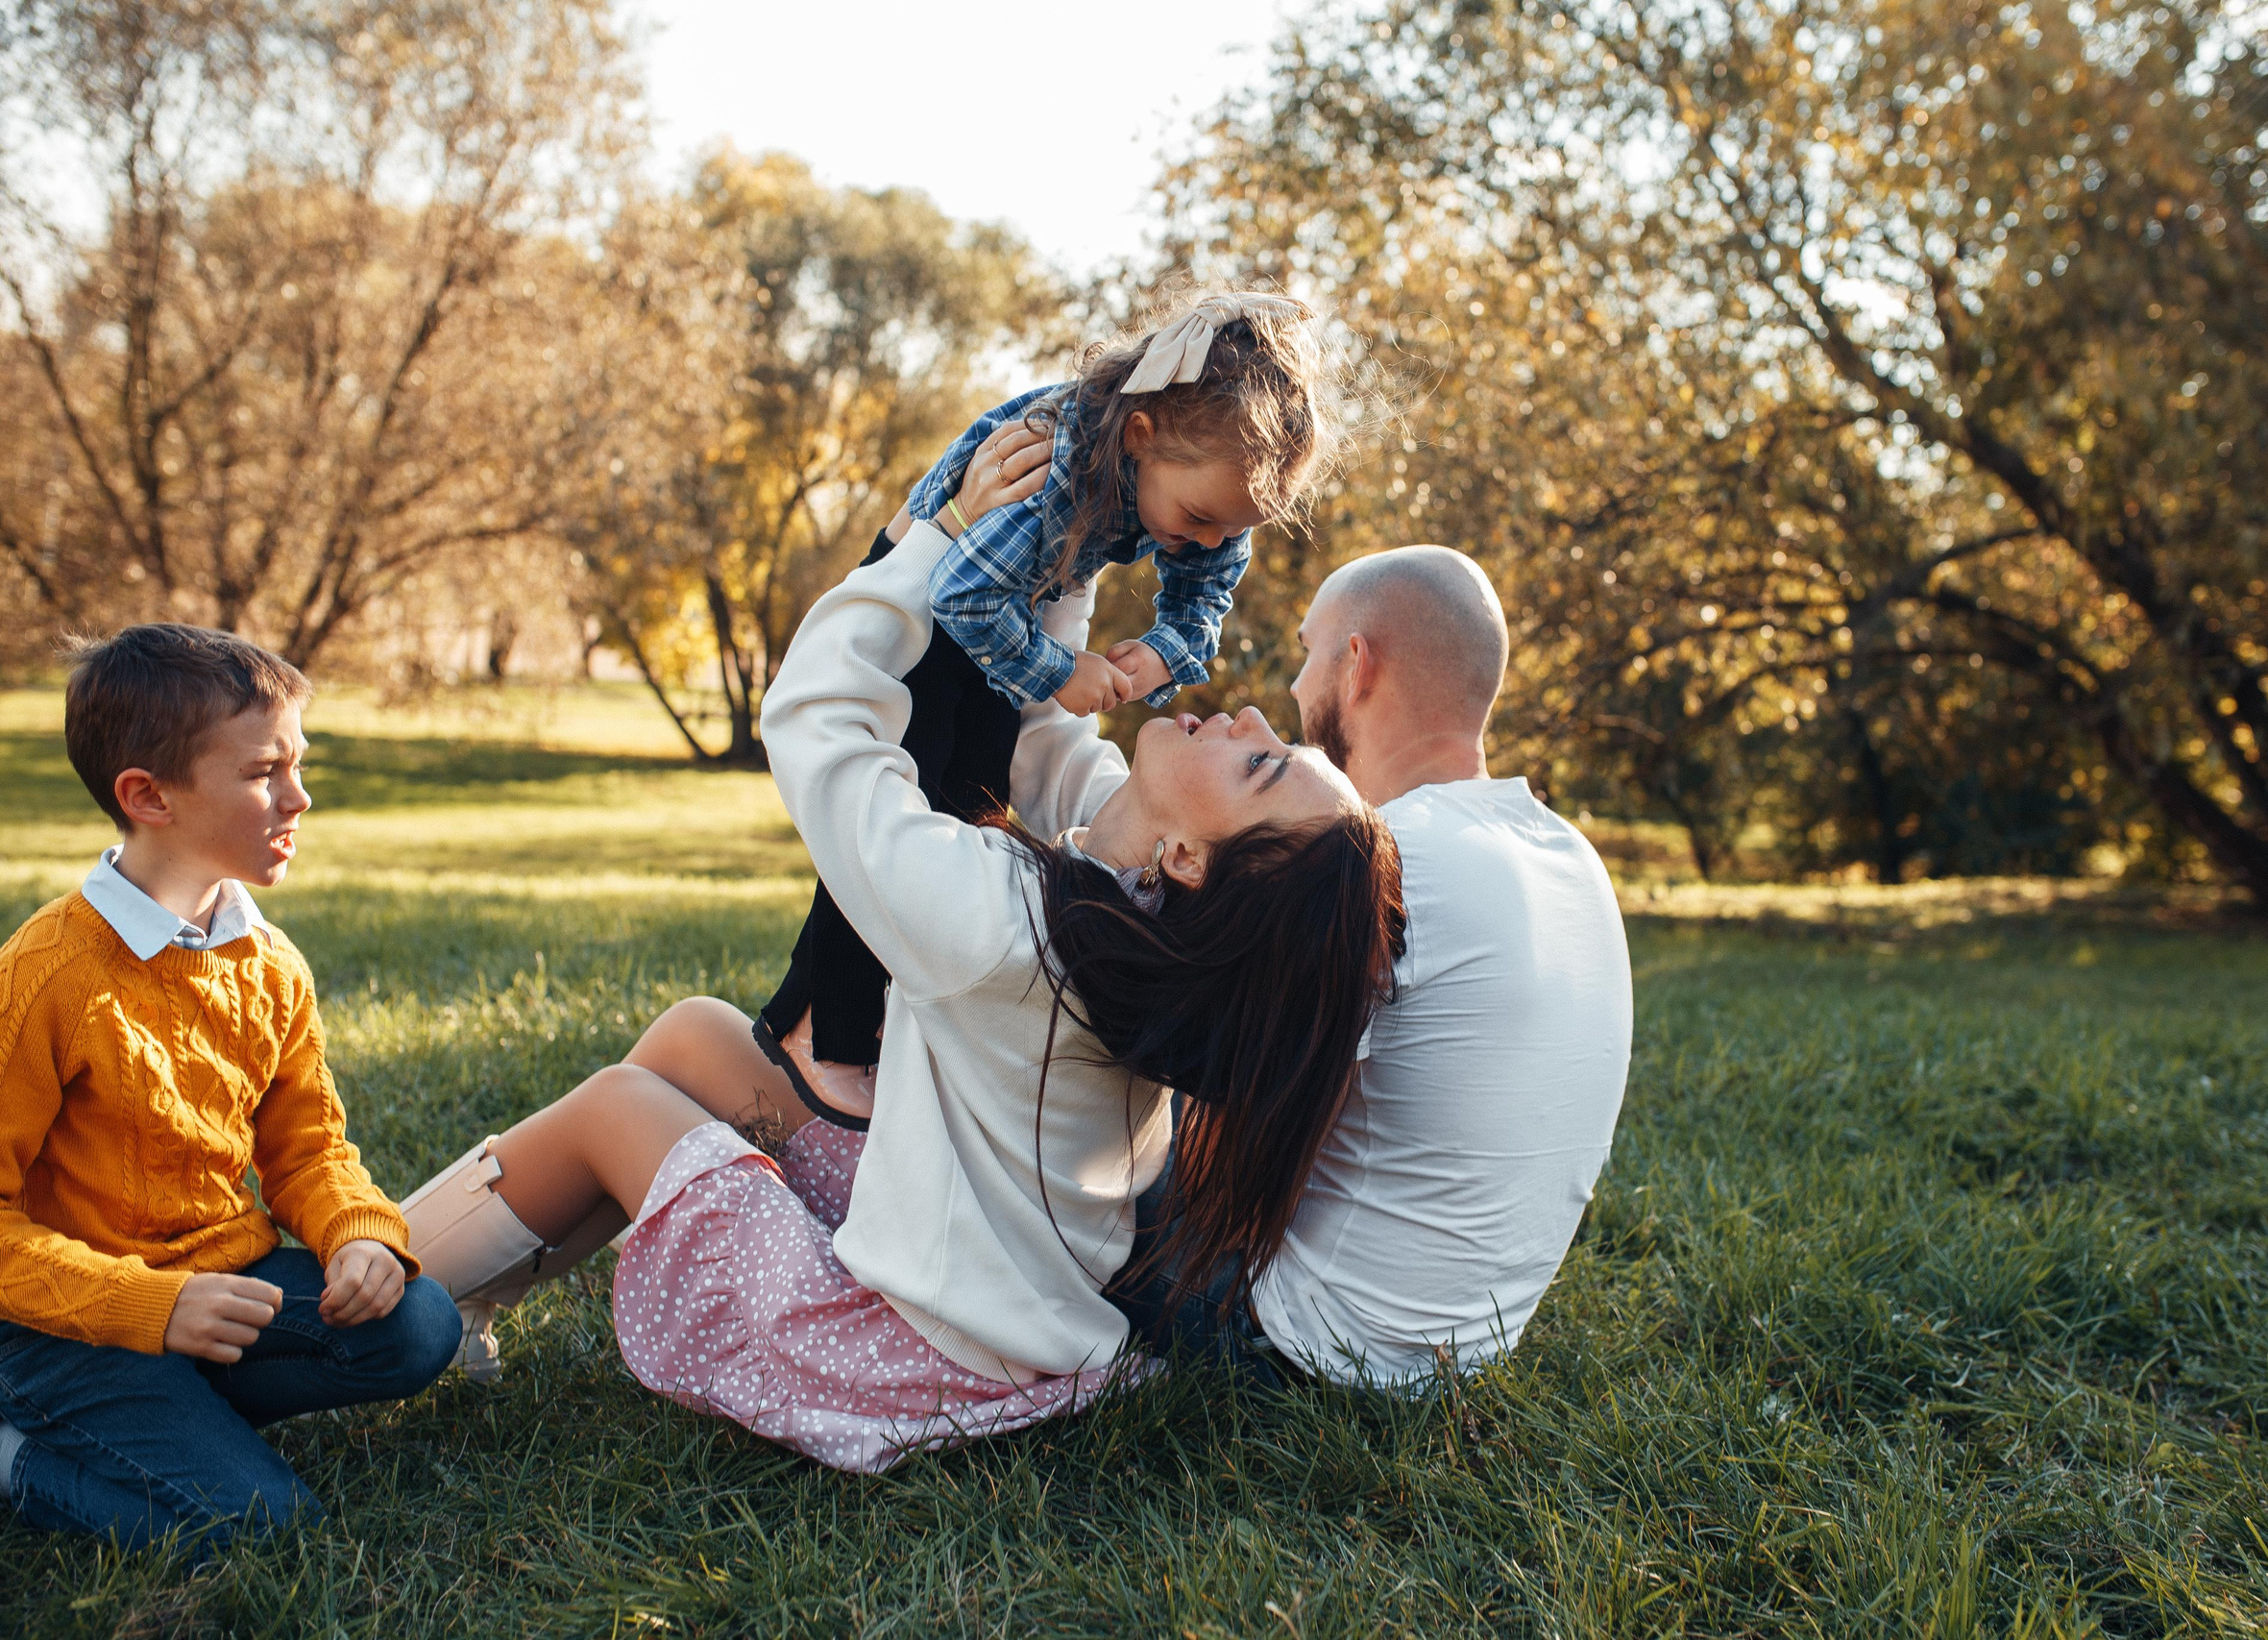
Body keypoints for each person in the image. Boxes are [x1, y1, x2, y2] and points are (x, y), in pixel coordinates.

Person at [396, 433, 1407, 1472]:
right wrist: (1058, 547)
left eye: (1258, 762)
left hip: (893, 1353)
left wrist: (942, 540)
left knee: (618, 1105)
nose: (1245, 715)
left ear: (1194, 858)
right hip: (995, 1300)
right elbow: (1044, 738)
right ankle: (465, 1298)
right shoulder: (1142, 906)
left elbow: (818, 721)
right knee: (696, 1038)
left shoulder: (1009, 933)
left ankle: (368, 1290)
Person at [753, 289, 1343, 1124]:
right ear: (1140, 437)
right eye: (1201, 519)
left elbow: (1201, 596)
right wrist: (1057, 668)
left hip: (1010, 606)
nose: (1211, 542)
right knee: (908, 785)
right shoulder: (1052, 477)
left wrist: (1161, 651)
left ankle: (847, 1017)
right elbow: (959, 594)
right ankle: (827, 1029)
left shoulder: (1206, 487)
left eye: (1232, 530)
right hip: (939, 581)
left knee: (976, 790)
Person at [1093, 547, 1636, 1385]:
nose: (1292, 695)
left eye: (1308, 652)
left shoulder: (1389, 866)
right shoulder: (1569, 854)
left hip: (1310, 1347)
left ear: (1356, 666)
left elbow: (1215, 1161)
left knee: (1056, 1150)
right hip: (1469, 1345)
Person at [0, 625, 461, 1555]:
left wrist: (357, 1235)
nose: (300, 797)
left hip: (220, 1291)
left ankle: (182, 1407)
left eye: (298, 764)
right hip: (62, 1328)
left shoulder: (270, 965)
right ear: (148, 796)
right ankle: (17, 1456)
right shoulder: (47, 977)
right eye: (264, 774)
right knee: (261, 1526)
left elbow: (309, 1150)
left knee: (418, 1322)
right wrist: (154, 1309)